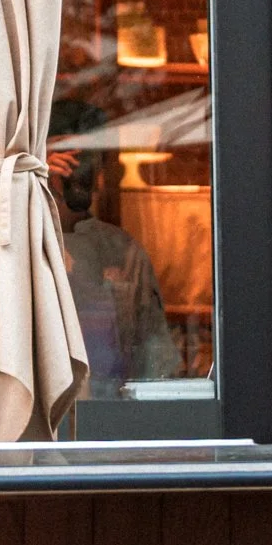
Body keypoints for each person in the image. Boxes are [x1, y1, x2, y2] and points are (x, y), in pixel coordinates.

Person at [46, 97, 184, 395]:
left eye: (88, 161)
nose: (75, 173)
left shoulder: (121, 251)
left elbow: (155, 359)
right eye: (65, 158)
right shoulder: (9, 240)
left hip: (112, 414)